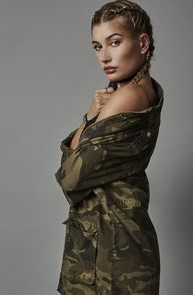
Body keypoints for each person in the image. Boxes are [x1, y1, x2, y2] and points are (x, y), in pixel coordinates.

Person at [55, 0, 164, 294]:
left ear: (142, 43)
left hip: (111, 257)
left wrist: (90, 118)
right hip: (112, 246)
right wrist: (91, 116)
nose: (105, 56)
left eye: (114, 42)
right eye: (97, 46)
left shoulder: (127, 96)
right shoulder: (145, 89)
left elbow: (69, 177)